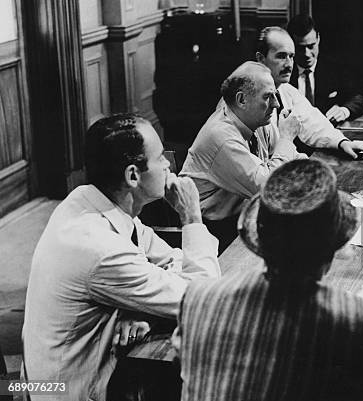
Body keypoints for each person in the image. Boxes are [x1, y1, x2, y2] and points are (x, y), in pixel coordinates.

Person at [174, 159, 363, 401]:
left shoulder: (198, 296)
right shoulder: (360, 319)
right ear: (334, 247)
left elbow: (185, 360)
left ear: (261, 240)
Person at [22, 114, 221, 401]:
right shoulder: (99, 249)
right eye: (159, 157)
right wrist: (191, 217)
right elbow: (206, 300)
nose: (168, 163)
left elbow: (168, 259)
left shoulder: (89, 201)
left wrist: (139, 308)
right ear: (132, 175)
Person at [180, 61, 304, 248]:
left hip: (247, 216)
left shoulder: (257, 119)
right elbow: (270, 187)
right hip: (215, 235)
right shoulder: (221, 135)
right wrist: (286, 139)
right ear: (242, 100)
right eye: (268, 97)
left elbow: (291, 160)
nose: (276, 104)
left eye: (275, 95)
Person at [256, 26, 363, 159]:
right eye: (281, 56)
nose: (289, 64)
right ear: (261, 59)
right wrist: (287, 139)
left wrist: (343, 143)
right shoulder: (249, 99)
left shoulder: (286, 90)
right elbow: (259, 171)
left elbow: (314, 123)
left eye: (291, 56)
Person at [287, 13, 363, 124]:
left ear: (318, 39)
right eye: (300, 48)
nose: (306, 54)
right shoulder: (284, 72)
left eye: (311, 46)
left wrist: (344, 110)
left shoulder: (335, 68)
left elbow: (358, 98)